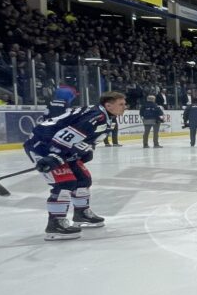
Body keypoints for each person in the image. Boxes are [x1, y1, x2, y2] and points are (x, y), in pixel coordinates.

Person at [23, 91, 127, 240]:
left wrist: (86, 150)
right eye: (121, 104)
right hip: (43, 146)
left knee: (83, 179)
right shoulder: (96, 117)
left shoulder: (105, 116)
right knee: (65, 182)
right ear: (108, 105)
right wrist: (54, 157)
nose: (125, 107)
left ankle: (81, 214)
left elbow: (87, 137)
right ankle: (55, 224)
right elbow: (64, 137)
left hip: (61, 147)